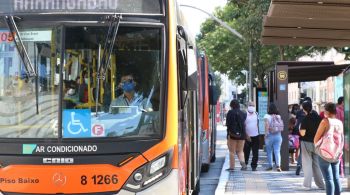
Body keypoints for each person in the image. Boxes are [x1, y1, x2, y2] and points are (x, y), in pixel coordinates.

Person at [314, 103, 344, 195]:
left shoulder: (325, 121)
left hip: (325, 153)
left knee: (328, 179)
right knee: (336, 178)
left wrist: (317, 146)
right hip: (336, 153)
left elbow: (316, 138)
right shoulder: (339, 122)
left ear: (327, 111)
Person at [299, 100, 325, 190]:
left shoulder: (305, 119)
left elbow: (302, 133)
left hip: (306, 142)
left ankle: (307, 185)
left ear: (304, 109)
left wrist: (299, 130)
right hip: (317, 143)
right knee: (316, 164)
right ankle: (321, 184)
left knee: (307, 164)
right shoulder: (319, 118)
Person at [226, 99, 247, 171]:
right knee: (240, 151)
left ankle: (232, 167)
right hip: (242, 135)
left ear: (231, 105)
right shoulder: (243, 113)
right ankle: (243, 164)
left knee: (232, 151)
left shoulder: (230, 113)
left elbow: (228, 124)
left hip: (232, 135)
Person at [264, 103, 283, 172]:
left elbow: (266, 126)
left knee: (269, 151)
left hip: (270, 135)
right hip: (278, 135)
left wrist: (265, 135)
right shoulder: (278, 116)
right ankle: (278, 166)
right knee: (277, 151)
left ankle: (270, 166)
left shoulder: (266, 116)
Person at [244, 102, 259, 171]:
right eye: (250, 105)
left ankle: (254, 166)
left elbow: (258, 124)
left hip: (255, 135)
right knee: (246, 152)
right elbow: (243, 126)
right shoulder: (245, 114)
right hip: (247, 136)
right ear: (247, 106)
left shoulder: (256, 114)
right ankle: (245, 164)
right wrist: (246, 135)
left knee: (255, 152)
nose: (251, 106)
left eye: (253, 105)